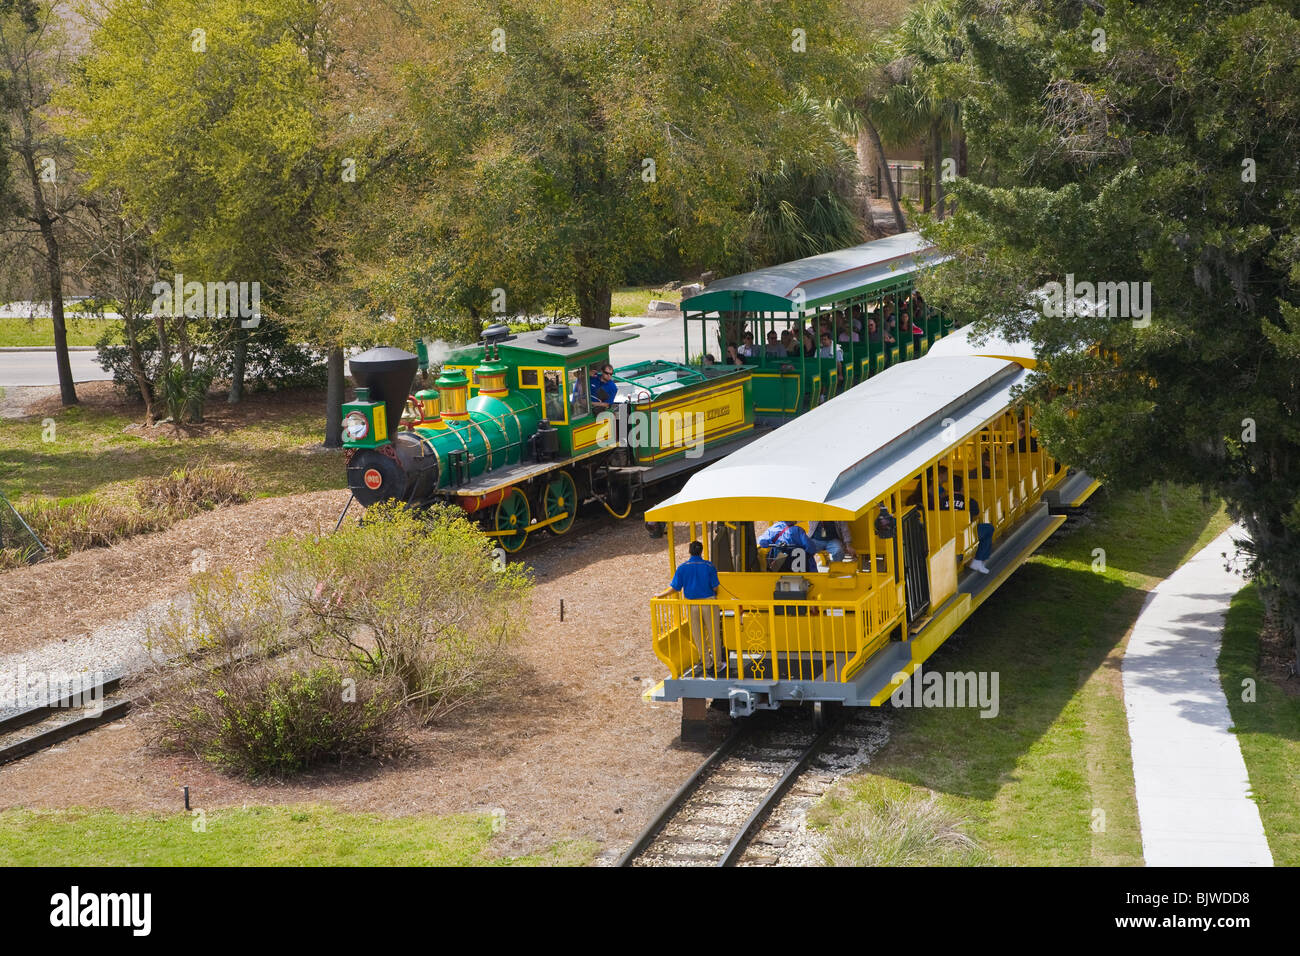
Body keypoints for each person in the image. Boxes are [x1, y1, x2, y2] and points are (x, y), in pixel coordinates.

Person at [669, 541, 722, 675]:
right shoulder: (709, 566)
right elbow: (715, 586)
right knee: (713, 633)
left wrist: (660, 594)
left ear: (689, 551)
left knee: (698, 635)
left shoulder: (682, 568)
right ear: (701, 551)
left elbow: (675, 588)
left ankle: (706, 662)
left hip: (692, 604)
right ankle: (718, 664)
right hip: (709, 602)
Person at [759, 519, 827, 571]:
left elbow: (762, 542)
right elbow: (811, 548)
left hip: (779, 563)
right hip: (800, 566)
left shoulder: (773, 528)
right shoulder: (798, 530)